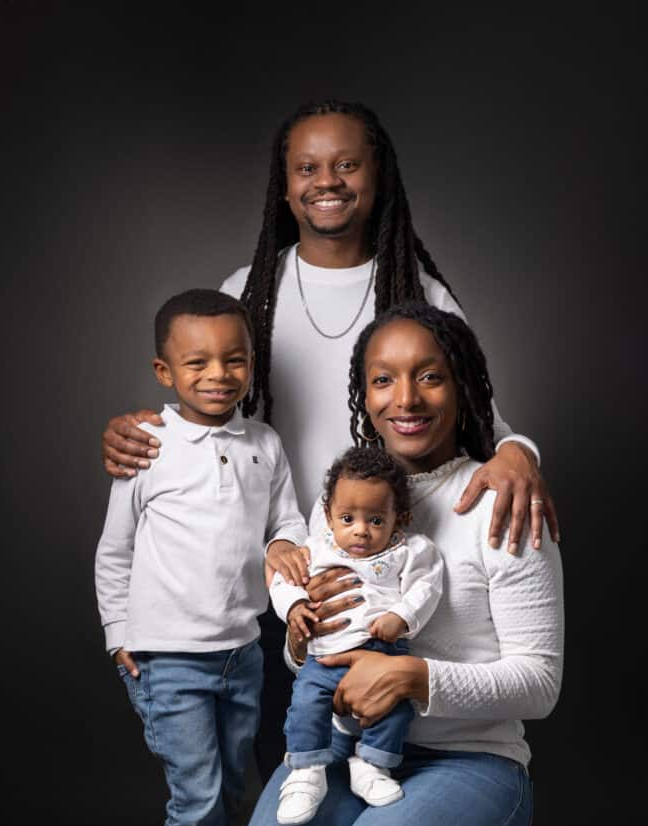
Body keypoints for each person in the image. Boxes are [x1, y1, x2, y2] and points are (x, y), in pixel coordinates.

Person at [99, 98, 560, 780]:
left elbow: (476, 409)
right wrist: (138, 429)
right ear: (283, 186)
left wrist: (521, 451)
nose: (328, 180)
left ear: (378, 178)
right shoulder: (250, 288)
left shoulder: (418, 290)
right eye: (307, 166)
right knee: (271, 774)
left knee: (367, 767)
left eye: (347, 164)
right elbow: (206, 404)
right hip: (281, 582)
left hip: (384, 568)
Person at [203, 302, 564, 826]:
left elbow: (540, 684)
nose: (405, 399)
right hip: (335, 755)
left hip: (466, 767)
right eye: (382, 380)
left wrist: (414, 676)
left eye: (428, 376)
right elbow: (313, 634)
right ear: (362, 395)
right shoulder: (343, 502)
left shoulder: (501, 501)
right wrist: (301, 636)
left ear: (461, 385)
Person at [94, 288, 307, 826]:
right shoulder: (150, 445)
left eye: (234, 359)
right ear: (163, 370)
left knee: (238, 800)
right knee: (196, 806)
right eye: (197, 362)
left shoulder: (266, 445)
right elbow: (113, 554)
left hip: (243, 656)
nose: (218, 373)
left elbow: (288, 518)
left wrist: (286, 540)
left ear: (251, 366)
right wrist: (120, 636)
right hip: (169, 661)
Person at [271, 446, 443, 825]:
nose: (360, 530)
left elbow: (427, 588)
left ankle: (371, 766)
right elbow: (284, 582)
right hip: (324, 657)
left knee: (396, 710)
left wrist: (402, 615)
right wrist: (296, 607)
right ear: (329, 516)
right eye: (347, 518)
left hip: (384, 655)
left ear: (401, 518)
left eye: (376, 520)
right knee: (305, 704)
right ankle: (305, 773)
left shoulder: (412, 551)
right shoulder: (315, 549)